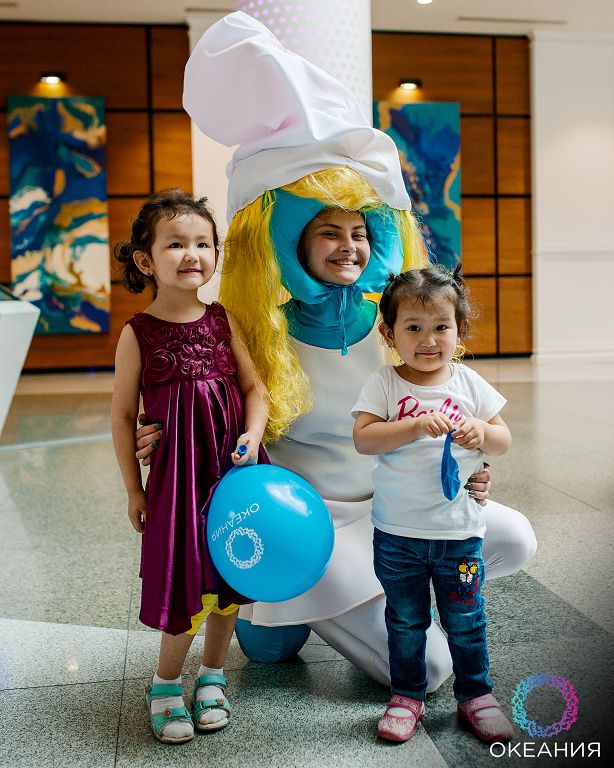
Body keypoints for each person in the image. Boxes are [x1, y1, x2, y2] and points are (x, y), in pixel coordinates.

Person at [137, 12, 536, 692]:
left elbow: (445, 406)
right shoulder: (252, 330)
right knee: (409, 667)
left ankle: (382, 595)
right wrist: (161, 436)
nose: (348, 246)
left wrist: (467, 464)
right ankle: (319, 604)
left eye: (359, 230)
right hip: (303, 524)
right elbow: (206, 410)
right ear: (288, 237)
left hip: (396, 508)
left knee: (516, 538)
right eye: (328, 230)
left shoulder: (397, 325)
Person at [111, 189, 268, 744]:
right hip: (177, 482)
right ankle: (164, 683)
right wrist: (135, 490)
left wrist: (252, 435)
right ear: (145, 259)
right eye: (175, 244)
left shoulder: (223, 321)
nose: (192, 254)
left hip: (230, 470)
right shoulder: (138, 333)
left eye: (203, 243)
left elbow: (254, 389)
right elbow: (122, 414)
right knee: (183, 576)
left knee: (230, 572)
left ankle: (213, 675)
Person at [352, 266, 515, 743]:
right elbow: (364, 439)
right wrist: (413, 425)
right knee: (405, 621)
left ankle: (476, 695)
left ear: (459, 331)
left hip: (459, 535)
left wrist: (481, 431)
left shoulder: (469, 384)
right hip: (398, 535)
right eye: (413, 327)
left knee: (466, 619)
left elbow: (503, 440)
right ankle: (406, 696)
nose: (428, 340)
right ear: (389, 334)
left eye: (441, 327)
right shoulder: (384, 384)